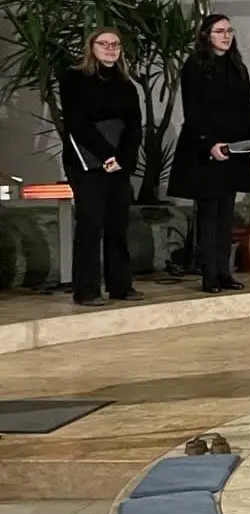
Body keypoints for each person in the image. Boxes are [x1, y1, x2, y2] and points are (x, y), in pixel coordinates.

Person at [168, 14, 250, 294]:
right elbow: (194, 111)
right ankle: (209, 274)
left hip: (235, 149)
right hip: (207, 151)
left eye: (229, 30)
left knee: (226, 213)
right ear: (206, 36)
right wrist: (210, 143)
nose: (226, 35)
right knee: (209, 214)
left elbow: (249, 106)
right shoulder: (195, 66)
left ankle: (225, 271)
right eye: (219, 31)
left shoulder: (237, 66)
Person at [57, 26, 143, 306]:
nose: (110, 48)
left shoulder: (126, 84)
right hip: (87, 159)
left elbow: (134, 126)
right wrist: (107, 155)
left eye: (115, 44)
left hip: (118, 161)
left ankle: (121, 286)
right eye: (104, 43)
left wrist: (124, 158)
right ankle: (87, 290)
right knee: (91, 223)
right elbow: (76, 123)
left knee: (118, 223)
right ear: (91, 47)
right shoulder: (74, 78)